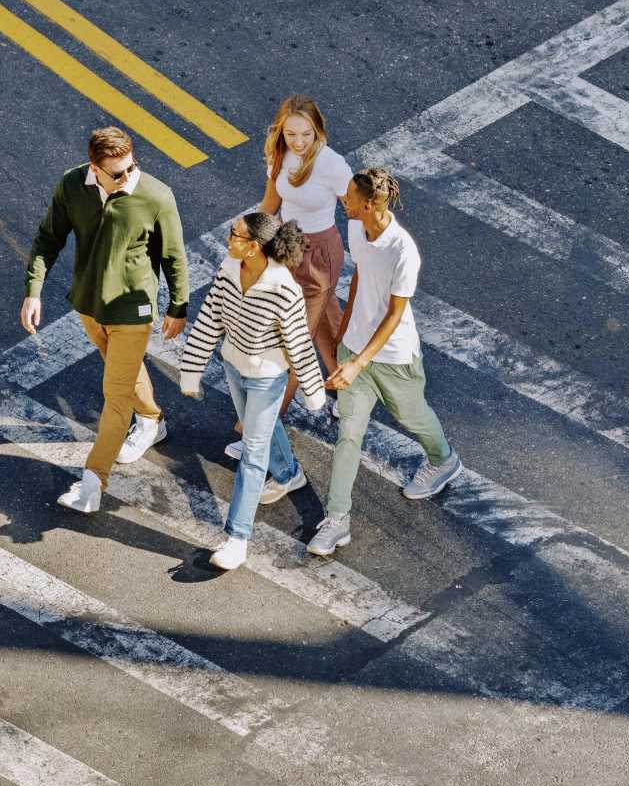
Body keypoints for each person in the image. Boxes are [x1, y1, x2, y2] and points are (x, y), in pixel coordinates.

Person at [21, 126, 187, 513]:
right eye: (117, 172)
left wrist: (178, 306)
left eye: (131, 167)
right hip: (89, 306)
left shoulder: (155, 196)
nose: (128, 177)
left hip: (133, 310)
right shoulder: (72, 186)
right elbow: (48, 239)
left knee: (114, 397)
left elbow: (173, 256)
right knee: (123, 372)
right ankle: (152, 420)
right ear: (94, 168)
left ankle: (92, 483)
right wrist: (33, 291)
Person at [307, 168, 462, 557]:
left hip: (393, 358)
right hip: (356, 351)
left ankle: (443, 461)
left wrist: (359, 361)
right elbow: (360, 271)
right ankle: (337, 520)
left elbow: (394, 315)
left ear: (371, 203)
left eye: (350, 198)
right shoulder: (358, 229)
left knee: (412, 417)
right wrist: (345, 330)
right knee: (348, 434)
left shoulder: (403, 250)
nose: (344, 201)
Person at [179, 215, 326, 571]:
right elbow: (211, 318)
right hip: (233, 366)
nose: (228, 238)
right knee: (255, 425)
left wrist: (312, 390)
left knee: (254, 452)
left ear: (254, 245)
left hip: (266, 376)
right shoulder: (229, 269)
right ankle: (289, 473)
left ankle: (237, 538)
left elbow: (298, 344)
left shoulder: (283, 289)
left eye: (235, 235)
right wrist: (191, 371)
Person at [225, 95, 352, 460]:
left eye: (306, 134)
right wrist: (247, 243)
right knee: (326, 323)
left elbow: (355, 209)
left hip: (319, 257)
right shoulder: (279, 155)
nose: (298, 142)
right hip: (287, 246)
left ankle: (258, 433)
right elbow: (270, 205)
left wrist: (372, 253)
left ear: (319, 131)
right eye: (291, 133)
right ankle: (349, 388)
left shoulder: (332, 164)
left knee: (291, 338)